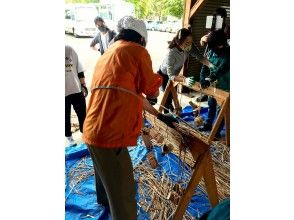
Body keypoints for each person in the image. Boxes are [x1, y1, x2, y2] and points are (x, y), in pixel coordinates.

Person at [82, 16, 178, 219]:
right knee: (124, 193)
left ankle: (106, 201)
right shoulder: (137, 51)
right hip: (110, 135)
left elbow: (134, 95)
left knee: (104, 174)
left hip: (91, 130)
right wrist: (154, 92)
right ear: (142, 39)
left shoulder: (108, 54)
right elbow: (151, 90)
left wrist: (159, 115)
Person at [157, 28, 214, 113]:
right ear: (179, 41)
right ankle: (167, 115)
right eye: (187, 43)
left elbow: (200, 57)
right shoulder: (171, 53)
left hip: (175, 74)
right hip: (164, 75)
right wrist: (184, 79)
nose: (190, 45)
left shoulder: (189, 46)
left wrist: (211, 66)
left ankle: (173, 110)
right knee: (167, 99)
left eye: (191, 42)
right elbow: (171, 76)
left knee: (173, 95)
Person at [198, 30, 230, 137]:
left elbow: (222, 68)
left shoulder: (229, 53)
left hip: (226, 87)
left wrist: (210, 78)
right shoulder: (211, 51)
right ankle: (208, 124)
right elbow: (204, 67)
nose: (212, 49)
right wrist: (203, 78)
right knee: (211, 104)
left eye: (214, 47)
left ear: (221, 45)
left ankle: (216, 132)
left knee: (221, 110)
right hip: (213, 86)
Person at [197, 7, 230, 102]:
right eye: (216, 16)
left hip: (223, 53)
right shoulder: (212, 25)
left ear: (224, 17)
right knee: (207, 68)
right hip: (211, 50)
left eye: (220, 16)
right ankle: (205, 92)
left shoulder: (227, 29)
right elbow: (203, 42)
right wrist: (202, 40)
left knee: (219, 72)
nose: (218, 18)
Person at [65, 45, 88, 146]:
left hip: (76, 88)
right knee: (65, 116)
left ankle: (85, 133)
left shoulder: (68, 49)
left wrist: (83, 85)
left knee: (82, 112)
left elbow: (79, 69)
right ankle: (69, 137)